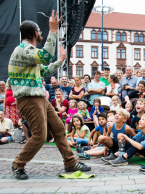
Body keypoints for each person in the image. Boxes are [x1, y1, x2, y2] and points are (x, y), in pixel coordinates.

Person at [8, 12, 90, 180]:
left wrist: (60, 61)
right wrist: (53, 31)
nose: (41, 33)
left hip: (38, 98)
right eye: (40, 31)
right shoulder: (23, 49)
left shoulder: (28, 52)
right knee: (40, 136)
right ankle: (18, 164)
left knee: (59, 129)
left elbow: (43, 70)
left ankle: (70, 162)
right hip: (30, 99)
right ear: (35, 33)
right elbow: (45, 55)